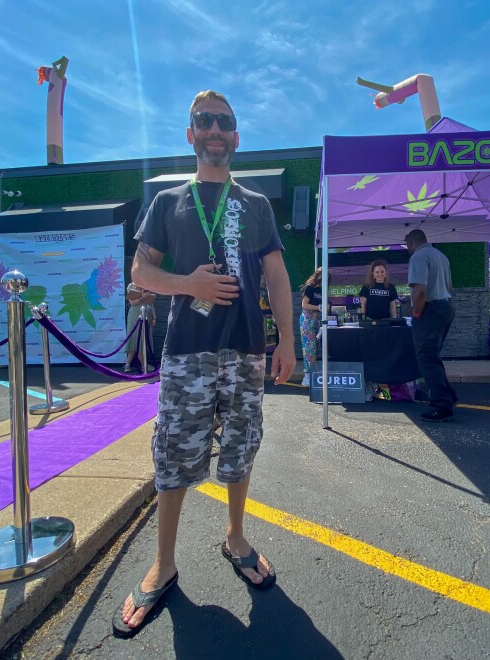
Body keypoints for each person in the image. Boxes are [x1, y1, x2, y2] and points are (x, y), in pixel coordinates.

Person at [117, 90, 296, 637]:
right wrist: (188, 284)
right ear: (190, 134)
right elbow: (140, 275)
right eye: (204, 121)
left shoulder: (257, 203)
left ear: (236, 137)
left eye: (224, 121)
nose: (215, 129)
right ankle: (164, 563)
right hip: (187, 352)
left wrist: (287, 340)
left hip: (244, 349)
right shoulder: (169, 202)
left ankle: (235, 537)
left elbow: (277, 276)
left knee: (241, 448)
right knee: (173, 455)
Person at [406, 229, 457, 422]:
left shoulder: (418, 256)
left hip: (430, 310)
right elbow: (450, 286)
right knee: (433, 356)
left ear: (410, 243)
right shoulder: (440, 256)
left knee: (426, 358)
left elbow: (419, 291)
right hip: (445, 307)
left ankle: (441, 405)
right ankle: (448, 395)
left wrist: (417, 313)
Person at [299, 267, 325, 387]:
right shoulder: (310, 288)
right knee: (309, 348)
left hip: (315, 320)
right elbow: (304, 305)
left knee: (314, 347)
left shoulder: (322, 290)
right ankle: (307, 376)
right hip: (307, 319)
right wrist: (318, 307)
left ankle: (312, 374)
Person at [124, 283, 156, 372]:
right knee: (136, 339)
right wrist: (142, 297)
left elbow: (151, 303)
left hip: (146, 315)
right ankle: (143, 365)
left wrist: (154, 317)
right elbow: (132, 302)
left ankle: (128, 364)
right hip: (135, 316)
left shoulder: (146, 286)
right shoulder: (131, 286)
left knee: (142, 340)